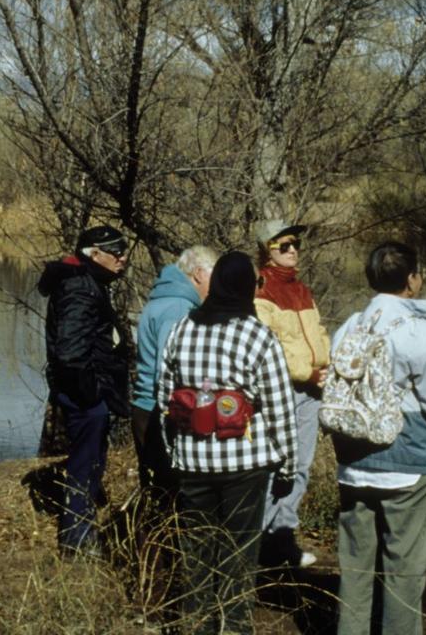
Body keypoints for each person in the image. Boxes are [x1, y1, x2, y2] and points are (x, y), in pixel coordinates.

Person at [156, 251, 298, 635]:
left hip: (193, 462)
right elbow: (281, 408)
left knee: (197, 552)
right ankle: (234, 627)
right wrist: (288, 466)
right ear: (246, 288)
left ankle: (197, 625)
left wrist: (175, 451)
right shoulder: (257, 335)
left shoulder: (181, 330)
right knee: (239, 554)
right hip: (244, 466)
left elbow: (165, 398)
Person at [331, 241, 426, 635]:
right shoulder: (416, 331)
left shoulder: (349, 327)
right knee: (403, 568)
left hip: (354, 464)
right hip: (409, 463)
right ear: (412, 281)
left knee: (354, 566)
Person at [37, 224, 131, 556]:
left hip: (88, 395)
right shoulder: (79, 287)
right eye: (116, 251)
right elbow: (70, 354)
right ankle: (77, 541)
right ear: (94, 255)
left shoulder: (89, 282)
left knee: (89, 464)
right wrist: (93, 396)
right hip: (85, 397)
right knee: (84, 466)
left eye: (124, 250)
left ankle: (81, 535)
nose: (123, 257)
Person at [253, 219, 331, 569]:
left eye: (295, 243)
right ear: (267, 250)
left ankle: (283, 537)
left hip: (312, 389)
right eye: (284, 245)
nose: (293, 250)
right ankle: (262, 540)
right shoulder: (261, 289)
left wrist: (327, 364)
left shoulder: (301, 288)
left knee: (301, 466)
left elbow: (319, 332)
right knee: (277, 465)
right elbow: (271, 346)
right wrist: (309, 372)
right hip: (285, 389)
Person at [132, 245, 218, 497]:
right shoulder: (179, 307)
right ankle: (161, 536)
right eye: (214, 277)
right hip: (158, 411)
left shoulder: (164, 299)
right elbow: (169, 370)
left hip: (146, 408)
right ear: (199, 273)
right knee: (168, 491)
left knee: (156, 487)